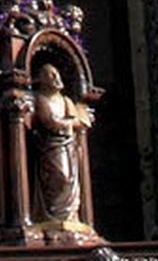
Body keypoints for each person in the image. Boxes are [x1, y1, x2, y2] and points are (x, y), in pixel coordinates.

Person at [28, 63, 94, 231]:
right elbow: (50, 122)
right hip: (51, 145)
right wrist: (70, 122)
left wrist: (68, 123)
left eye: (56, 74)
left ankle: (68, 216)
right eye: (51, 75)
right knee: (60, 176)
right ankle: (53, 214)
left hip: (68, 144)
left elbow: (81, 121)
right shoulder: (41, 99)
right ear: (42, 80)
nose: (56, 78)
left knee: (70, 178)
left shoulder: (65, 100)